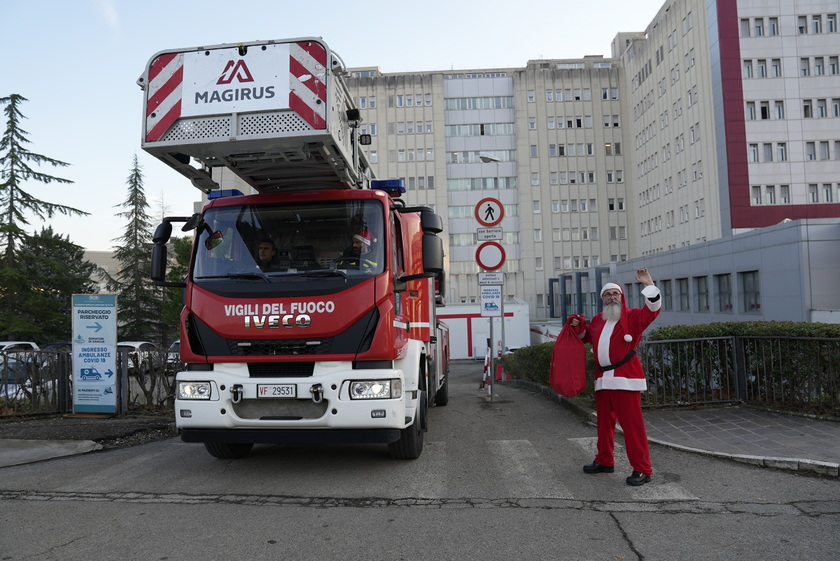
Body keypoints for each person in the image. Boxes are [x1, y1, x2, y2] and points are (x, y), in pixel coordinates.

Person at [567, 268, 661, 486]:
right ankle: (605, 460)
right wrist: (577, 325)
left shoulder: (634, 317)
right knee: (604, 425)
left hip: (625, 378)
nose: (611, 298)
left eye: (615, 294)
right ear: (602, 299)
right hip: (603, 379)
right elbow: (585, 336)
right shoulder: (598, 320)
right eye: (607, 295)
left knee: (632, 427)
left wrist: (649, 284)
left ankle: (642, 469)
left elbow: (653, 309)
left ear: (622, 297)